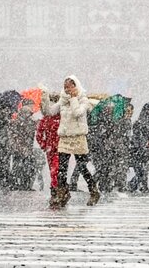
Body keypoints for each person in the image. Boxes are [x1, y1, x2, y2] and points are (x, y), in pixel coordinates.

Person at [44, 75, 100, 208]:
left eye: (70, 86)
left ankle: (93, 190)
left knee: (81, 166)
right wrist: (44, 98)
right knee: (62, 168)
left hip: (78, 137)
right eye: (65, 87)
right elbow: (49, 112)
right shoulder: (62, 101)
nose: (67, 90)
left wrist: (74, 98)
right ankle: (62, 192)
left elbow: (77, 113)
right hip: (65, 137)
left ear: (76, 86)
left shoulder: (83, 100)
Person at [129, 102, 149, 193]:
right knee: (141, 170)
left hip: (145, 149)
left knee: (143, 169)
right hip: (138, 149)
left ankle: (140, 186)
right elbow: (137, 137)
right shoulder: (139, 123)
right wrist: (146, 143)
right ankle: (135, 185)